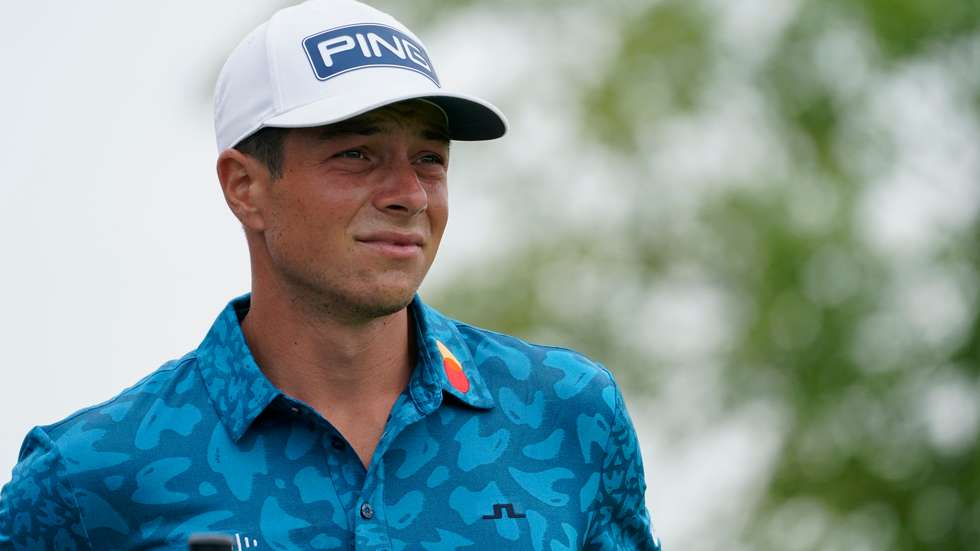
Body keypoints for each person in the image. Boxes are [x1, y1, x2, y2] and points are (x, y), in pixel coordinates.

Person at [0, 1, 662, 549]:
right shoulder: (88, 476)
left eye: (429, 158)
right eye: (357, 154)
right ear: (245, 187)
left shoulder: (569, 416)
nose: (410, 194)